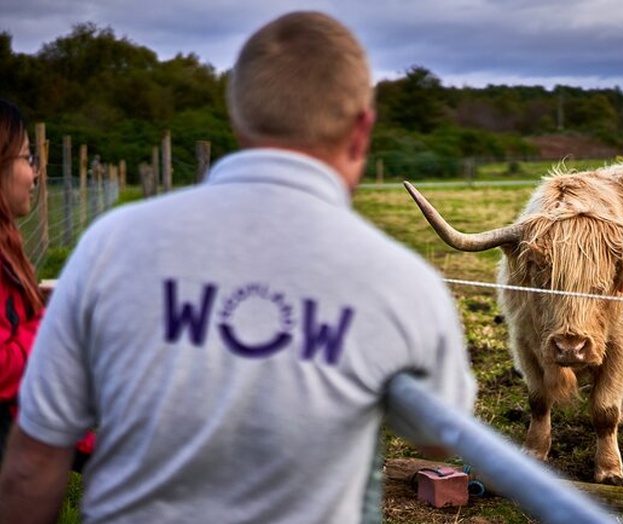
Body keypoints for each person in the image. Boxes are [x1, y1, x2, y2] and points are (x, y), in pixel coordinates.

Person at [0, 12, 476, 524]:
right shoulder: (403, 281)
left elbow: (34, 459)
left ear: (239, 121)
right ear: (362, 131)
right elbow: (440, 437)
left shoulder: (111, 245)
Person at [0, 99, 94, 471]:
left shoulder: (7, 240)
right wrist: (53, 320)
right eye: (28, 158)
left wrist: (33, 302)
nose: (36, 174)